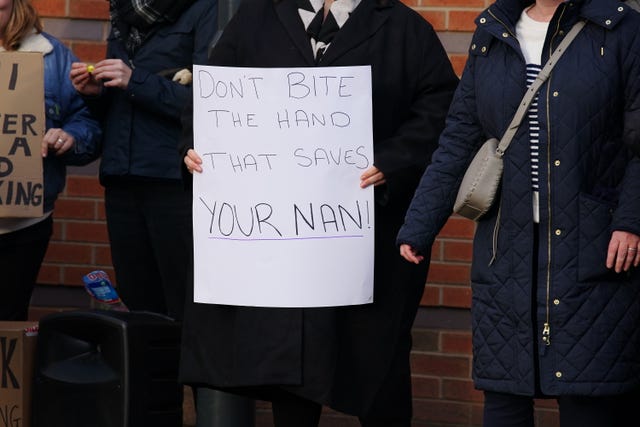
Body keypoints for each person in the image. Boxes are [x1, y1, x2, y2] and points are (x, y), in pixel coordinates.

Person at [179, 0, 459, 425]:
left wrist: (393, 160)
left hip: (366, 237)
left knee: (377, 363)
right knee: (290, 370)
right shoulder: (257, 17)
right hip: (281, 243)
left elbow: (442, 112)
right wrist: (195, 149)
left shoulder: (404, 28)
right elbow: (208, 100)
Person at [397, 0, 640, 426]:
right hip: (505, 251)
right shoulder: (493, 30)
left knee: (589, 401)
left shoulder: (620, 29)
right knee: (504, 402)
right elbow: (459, 138)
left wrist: (631, 221)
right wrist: (418, 226)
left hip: (593, 251)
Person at [69, 0, 217, 321]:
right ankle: (147, 369)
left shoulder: (206, 8)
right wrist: (95, 93)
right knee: (137, 304)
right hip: (122, 177)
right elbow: (119, 100)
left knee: (183, 301)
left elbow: (213, 101)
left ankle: (183, 372)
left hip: (173, 180)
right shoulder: (124, 10)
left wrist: (134, 80)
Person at [0, 0, 101, 320]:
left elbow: (86, 123)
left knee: (9, 322)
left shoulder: (52, 57)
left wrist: (69, 137)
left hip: (24, 223)